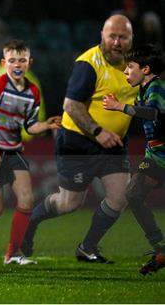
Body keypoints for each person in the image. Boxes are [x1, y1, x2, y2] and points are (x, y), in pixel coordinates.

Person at [21, 14, 138, 263]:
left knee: (121, 196)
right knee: (69, 203)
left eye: (123, 37)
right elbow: (71, 105)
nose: (117, 42)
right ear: (102, 37)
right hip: (78, 142)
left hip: (113, 144)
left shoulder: (136, 64)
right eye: (112, 36)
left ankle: (87, 247)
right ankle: (31, 221)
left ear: (131, 39)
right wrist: (98, 131)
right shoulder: (88, 63)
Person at [0, 39, 61, 265]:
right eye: (12, 60)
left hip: (13, 150)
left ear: (29, 63)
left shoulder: (33, 91)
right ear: (4, 62)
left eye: (22, 60)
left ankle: (13, 254)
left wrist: (46, 126)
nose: (17, 64)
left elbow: (29, 127)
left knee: (27, 200)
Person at [102, 44, 165, 275]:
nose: (126, 71)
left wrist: (120, 107)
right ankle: (160, 246)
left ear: (146, 69)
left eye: (130, 67)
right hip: (156, 156)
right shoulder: (144, 88)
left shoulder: (157, 86)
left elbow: (152, 113)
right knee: (133, 193)